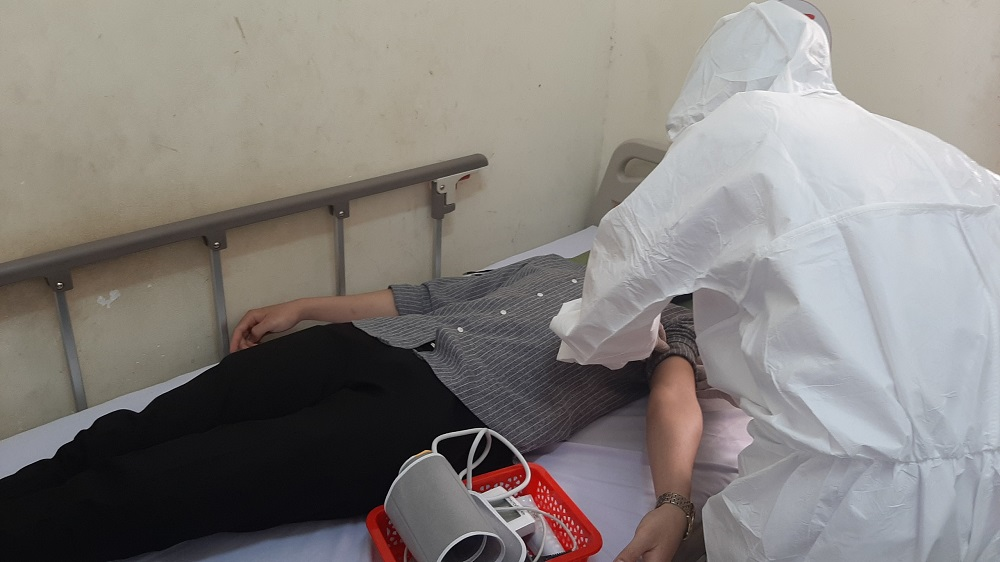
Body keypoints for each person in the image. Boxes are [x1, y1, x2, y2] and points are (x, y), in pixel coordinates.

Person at [552, 2, 1000, 561]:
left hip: (850, 504)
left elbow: (617, 289)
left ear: (714, 73)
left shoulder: (739, 132)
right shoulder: (938, 157)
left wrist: (631, 342)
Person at [0, 253, 703, 561]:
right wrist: (304, 307)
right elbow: (424, 297)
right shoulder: (563, 265)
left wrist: (673, 503)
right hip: (364, 344)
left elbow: (673, 396)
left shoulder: (676, 318)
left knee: (162, 483)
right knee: (127, 434)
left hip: (441, 413)